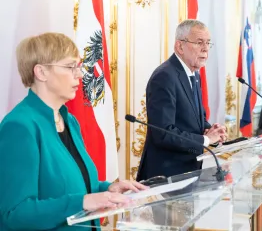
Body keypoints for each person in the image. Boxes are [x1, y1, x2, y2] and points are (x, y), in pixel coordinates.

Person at [0, 33, 147, 231]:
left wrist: (107, 189)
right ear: (41, 72)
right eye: (71, 67)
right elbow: (15, 214)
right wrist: (83, 202)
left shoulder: (69, 120)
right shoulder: (20, 127)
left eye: (78, 67)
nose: (79, 75)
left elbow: (71, 186)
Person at [137, 19, 227, 181]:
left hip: (187, 172)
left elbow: (191, 119)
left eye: (207, 43)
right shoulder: (165, 76)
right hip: (166, 176)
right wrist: (205, 139)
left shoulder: (193, 74)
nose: (205, 48)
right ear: (180, 46)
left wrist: (209, 130)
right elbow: (163, 132)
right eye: (199, 42)